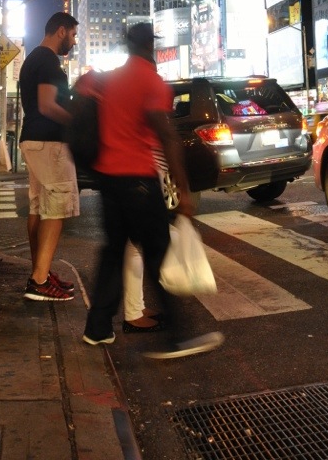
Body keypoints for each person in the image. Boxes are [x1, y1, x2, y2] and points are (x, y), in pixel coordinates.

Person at [77, 21, 223, 359]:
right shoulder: (151, 81)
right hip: (139, 181)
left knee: (114, 252)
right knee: (158, 254)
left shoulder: (112, 80)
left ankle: (97, 329)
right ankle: (177, 338)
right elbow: (167, 136)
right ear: (150, 46)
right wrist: (183, 190)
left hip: (109, 180)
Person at [19, 11, 80, 302]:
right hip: (49, 143)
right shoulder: (47, 60)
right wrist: (77, 123)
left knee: (38, 208)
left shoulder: (34, 58)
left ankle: (39, 272)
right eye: (73, 34)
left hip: (34, 140)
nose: (74, 41)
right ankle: (39, 280)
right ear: (61, 31)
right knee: (55, 209)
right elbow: (47, 105)